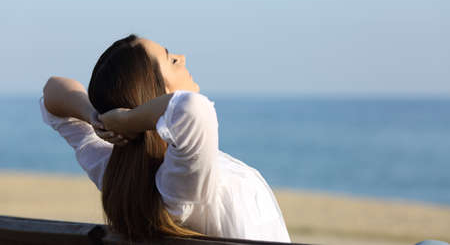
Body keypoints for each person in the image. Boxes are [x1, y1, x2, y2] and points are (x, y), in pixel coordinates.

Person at [40, 34, 291, 243]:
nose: (182, 58)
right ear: (159, 94)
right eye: (171, 60)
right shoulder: (179, 184)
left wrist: (96, 117)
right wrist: (127, 121)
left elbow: (52, 93)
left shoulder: (113, 170)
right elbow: (193, 110)